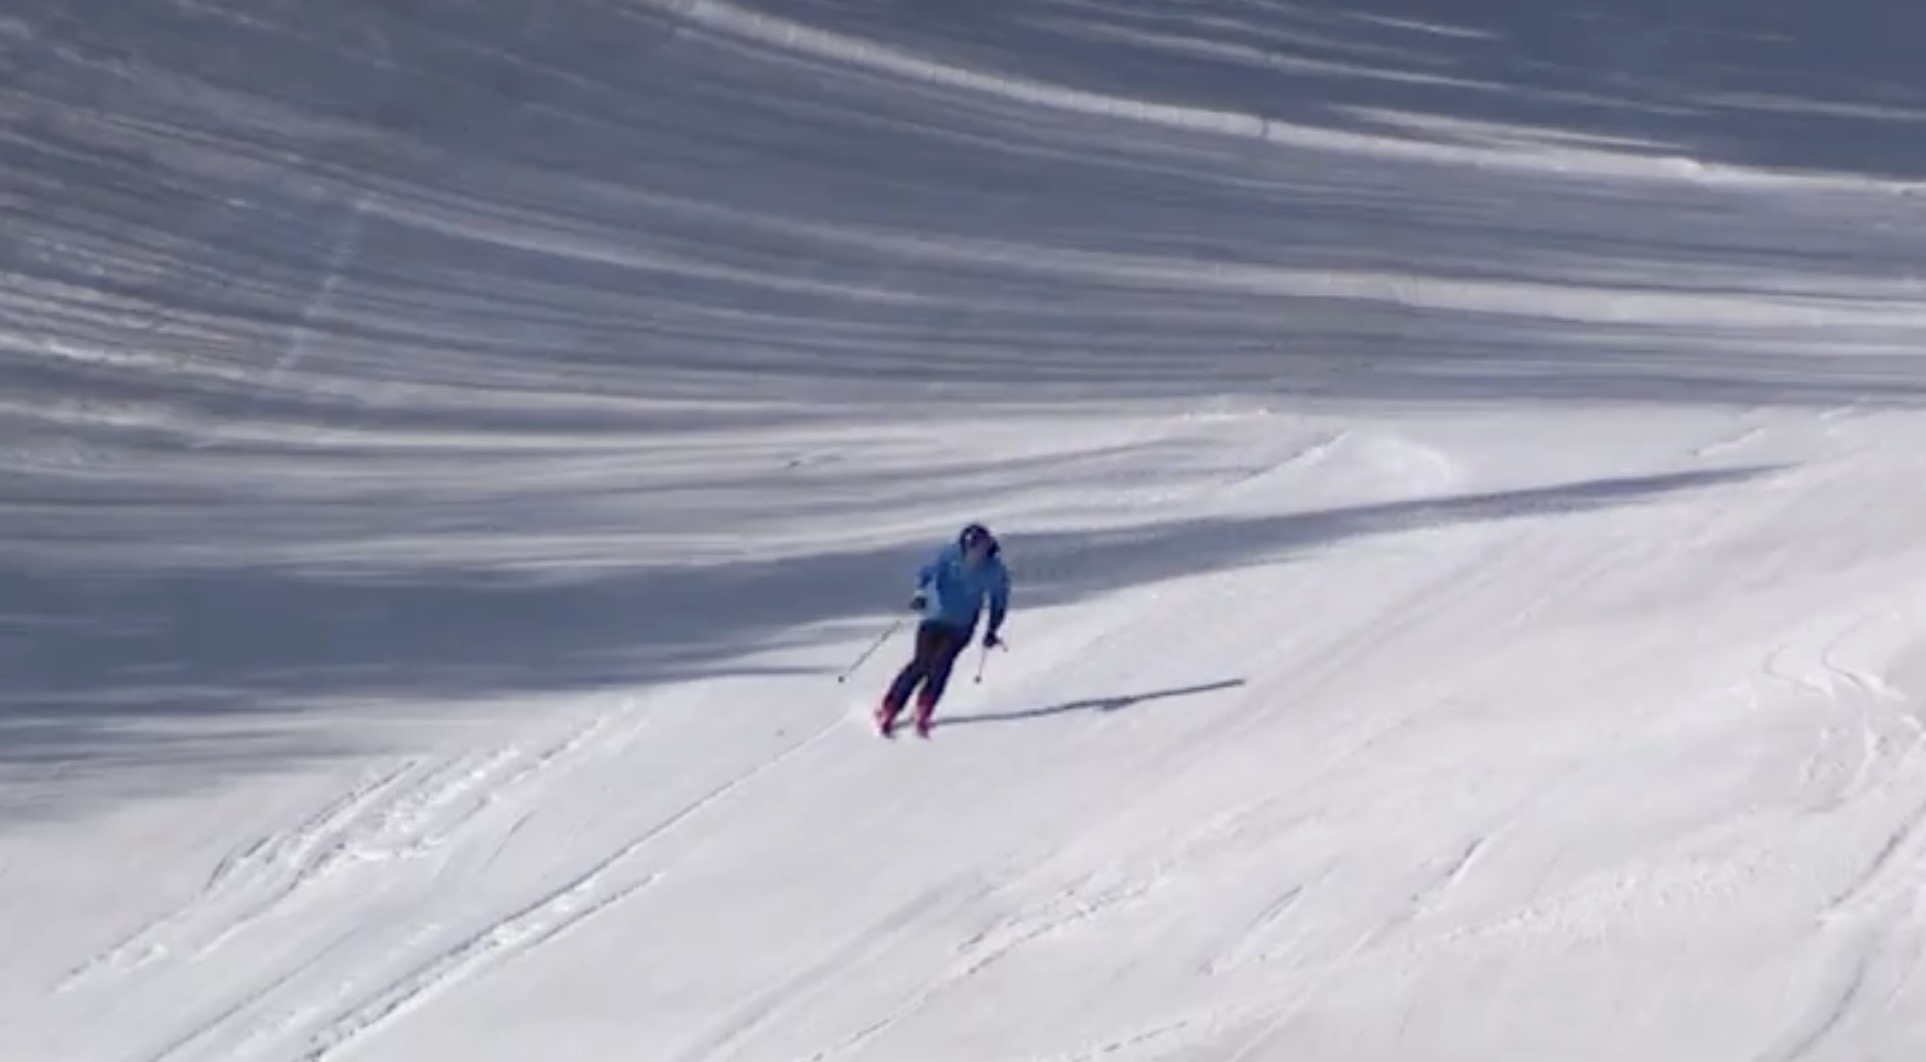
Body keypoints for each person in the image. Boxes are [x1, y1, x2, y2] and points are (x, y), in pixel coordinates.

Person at [876, 522, 1011, 737]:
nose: (977, 555)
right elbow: (927, 573)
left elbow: (999, 601)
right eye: (974, 548)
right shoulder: (948, 556)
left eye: (982, 549)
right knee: (922, 662)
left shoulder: (994, 570)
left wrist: (992, 629)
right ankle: (890, 706)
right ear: (964, 546)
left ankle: (925, 706)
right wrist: (920, 594)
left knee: (942, 664)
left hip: (962, 625)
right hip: (934, 618)